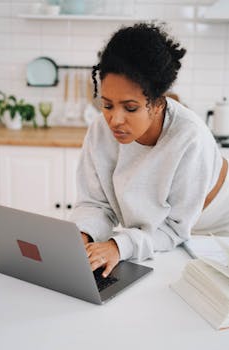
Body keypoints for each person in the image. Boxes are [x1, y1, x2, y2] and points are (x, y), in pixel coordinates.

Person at [71, 22, 229, 278]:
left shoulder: (189, 137)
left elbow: (174, 230)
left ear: (157, 103)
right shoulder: (101, 130)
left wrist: (117, 246)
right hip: (161, 234)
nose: (115, 120)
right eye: (107, 105)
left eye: (130, 108)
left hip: (217, 226)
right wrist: (82, 234)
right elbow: (96, 204)